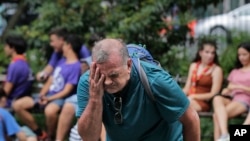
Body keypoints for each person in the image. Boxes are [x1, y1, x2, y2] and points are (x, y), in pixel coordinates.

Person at [76, 38, 200, 141]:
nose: (108, 82)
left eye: (113, 75)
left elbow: (191, 119)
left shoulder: (155, 80)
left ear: (128, 65)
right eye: (102, 76)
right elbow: (89, 137)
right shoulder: (89, 83)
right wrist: (95, 98)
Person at [13, 34, 82, 140]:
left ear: (69, 46)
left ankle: (50, 136)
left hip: (59, 98)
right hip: (47, 95)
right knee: (18, 105)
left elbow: (67, 90)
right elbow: (50, 80)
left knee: (50, 111)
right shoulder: (61, 61)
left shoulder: (76, 66)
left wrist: (49, 99)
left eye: (64, 44)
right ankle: (40, 133)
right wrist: (42, 94)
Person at [55, 32, 105, 141]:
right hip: (87, 93)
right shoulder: (86, 62)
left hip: (105, 93)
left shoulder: (112, 59)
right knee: (70, 104)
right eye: (95, 45)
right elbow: (84, 83)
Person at [213, 42, 250, 141]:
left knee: (217, 115)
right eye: (239, 55)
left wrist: (239, 87)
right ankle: (225, 135)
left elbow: (236, 87)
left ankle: (224, 137)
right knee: (217, 98)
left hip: (245, 99)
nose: (241, 57)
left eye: (244, 54)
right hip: (233, 98)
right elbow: (230, 88)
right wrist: (226, 90)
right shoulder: (235, 71)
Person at [182, 40, 223, 112]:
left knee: (184, 107)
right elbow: (187, 87)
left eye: (212, 53)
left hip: (203, 102)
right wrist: (177, 96)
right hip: (189, 98)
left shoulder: (216, 69)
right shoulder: (193, 65)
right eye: (207, 52)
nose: (210, 56)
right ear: (200, 53)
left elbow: (213, 94)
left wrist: (194, 96)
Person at [3, 35, 33, 108]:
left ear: (12, 48)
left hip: (11, 102)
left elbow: (6, 91)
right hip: (22, 97)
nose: (4, 48)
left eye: (6, 46)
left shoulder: (15, 66)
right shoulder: (24, 63)